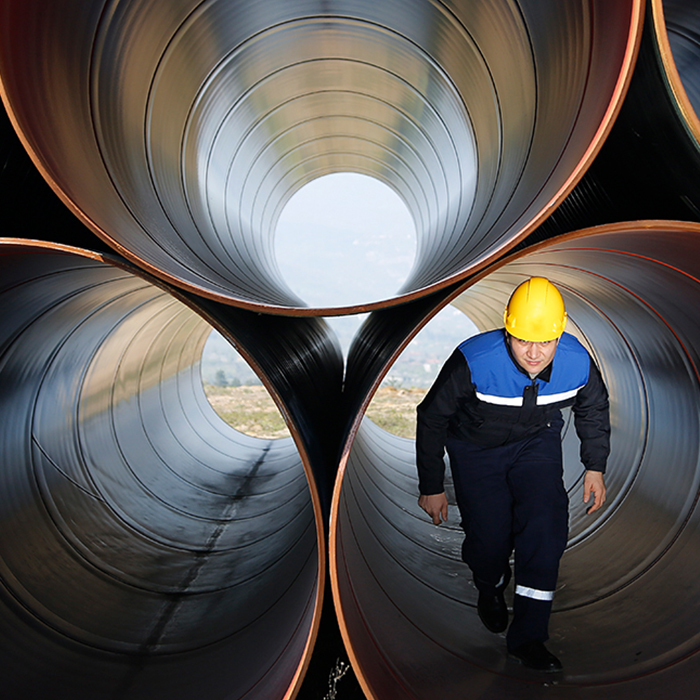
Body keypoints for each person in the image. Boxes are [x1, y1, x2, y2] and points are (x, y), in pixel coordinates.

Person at [415, 277, 609, 672]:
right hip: (475, 450)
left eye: (545, 342)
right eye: (523, 340)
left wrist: (595, 466)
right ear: (507, 329)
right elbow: (432, 418)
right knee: (489, 540)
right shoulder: (474, 361)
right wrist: (432, 486)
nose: (534, 353)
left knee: (545, 525)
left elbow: (594, 409)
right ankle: (491, 585)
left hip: (535, 443)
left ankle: (529, 638)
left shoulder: (577, 361)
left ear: (560, 333)